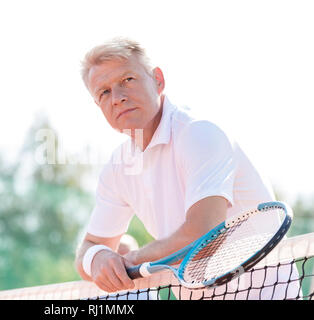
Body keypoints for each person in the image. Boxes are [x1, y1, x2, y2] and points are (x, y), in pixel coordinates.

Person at [74, 37, 300, 300]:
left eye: (128, 80)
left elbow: (203, 234)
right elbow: (88, 249)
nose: (118, 98)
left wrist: (131, 259)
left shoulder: (199, 133)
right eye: (104, 92)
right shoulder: (117, 167)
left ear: (158, 80)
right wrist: (98, 258)